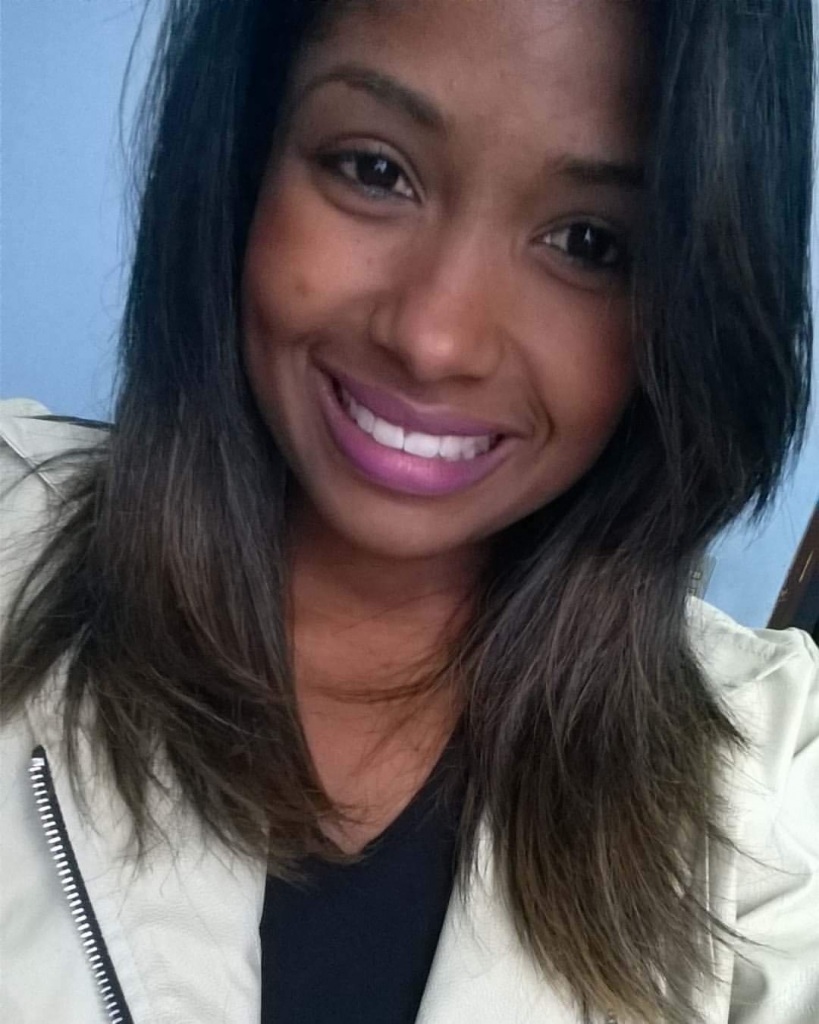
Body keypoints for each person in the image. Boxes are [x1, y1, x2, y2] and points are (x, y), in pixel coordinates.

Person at [1, 0, 817, 1021]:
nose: (434, 338)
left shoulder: (768, 781)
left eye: (589, 242)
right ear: (246, 152)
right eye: (374, 170)